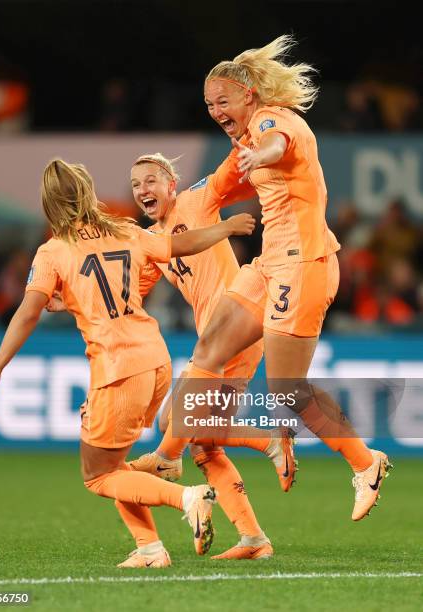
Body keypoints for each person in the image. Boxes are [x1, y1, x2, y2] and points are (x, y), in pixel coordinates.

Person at [145, 35, 393, 522]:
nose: (216, 110)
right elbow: (215, 186)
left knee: (286, 387)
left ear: (249, 96)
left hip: (304, 264)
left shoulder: (270, 121)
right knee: (209, 349)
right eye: (209, 104)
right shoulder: (243, 140)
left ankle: (367, 464)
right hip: (269, 265)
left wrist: (262, 154)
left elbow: (278, 143)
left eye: (223, 100)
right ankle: (169, 454)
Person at [0, 158, 257, 568]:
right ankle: (149, 549)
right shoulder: (125, 231)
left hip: (117, 367)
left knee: (99, 476)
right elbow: (178, 246)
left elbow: (26, 313)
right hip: (155, 359)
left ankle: (187, 498)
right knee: (116, 464)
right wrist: (225, 229)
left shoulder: (53, 251)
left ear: (49, 204)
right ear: (88, 193)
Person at [129, 152, 296, 560]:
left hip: (235, 329)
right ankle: (254, 540)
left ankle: (173, 459)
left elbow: (228, 173)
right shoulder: (155, 241)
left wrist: (249, 133)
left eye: (151, 181)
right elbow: (128, 285)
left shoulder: (196, 200)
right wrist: (71, 298)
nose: (142, 190)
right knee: (203, 444)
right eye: (135, 185)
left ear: (171, 184)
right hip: (214, 341)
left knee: (174, 422)